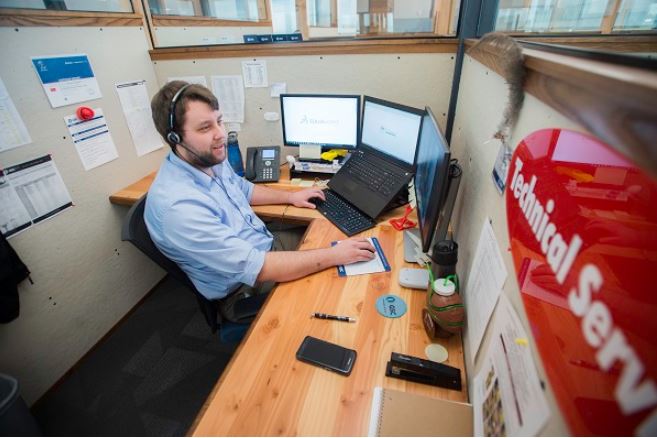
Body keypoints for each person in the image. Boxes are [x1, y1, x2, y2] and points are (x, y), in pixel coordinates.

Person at [145, 81, 375, 303]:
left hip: (265, 245)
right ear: (174, 138)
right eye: (205, 127)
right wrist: (333, 256)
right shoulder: (179, 208)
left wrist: (291, 197)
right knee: (340, 286)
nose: (221, 134)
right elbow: (258, 267)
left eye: (219, 121)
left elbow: (243, 189)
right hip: (244, 287)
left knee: (342, 239)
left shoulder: (206, 158)